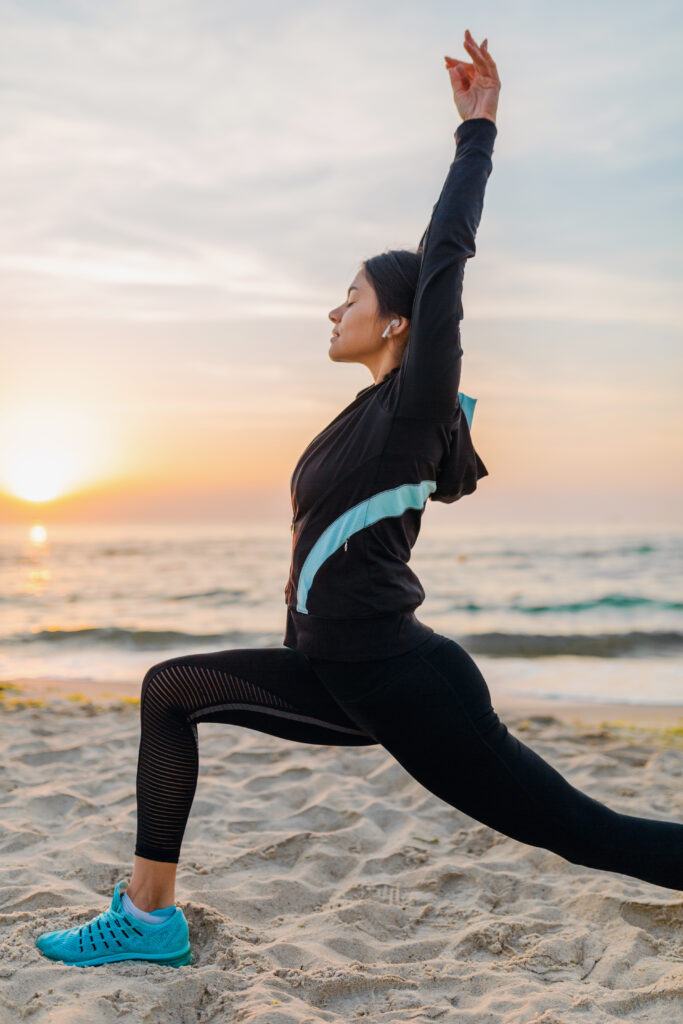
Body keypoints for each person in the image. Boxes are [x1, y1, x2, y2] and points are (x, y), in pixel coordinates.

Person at [35, 30, 683, 969]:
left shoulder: (416, 401)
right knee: (169, 692)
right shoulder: (365, 414)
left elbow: (447, 251)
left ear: (397, 321)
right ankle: (148, 917)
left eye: (348, 295)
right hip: (333, 671)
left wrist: (477, 130)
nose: (332, 310)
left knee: (580, 831)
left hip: (400, 679)